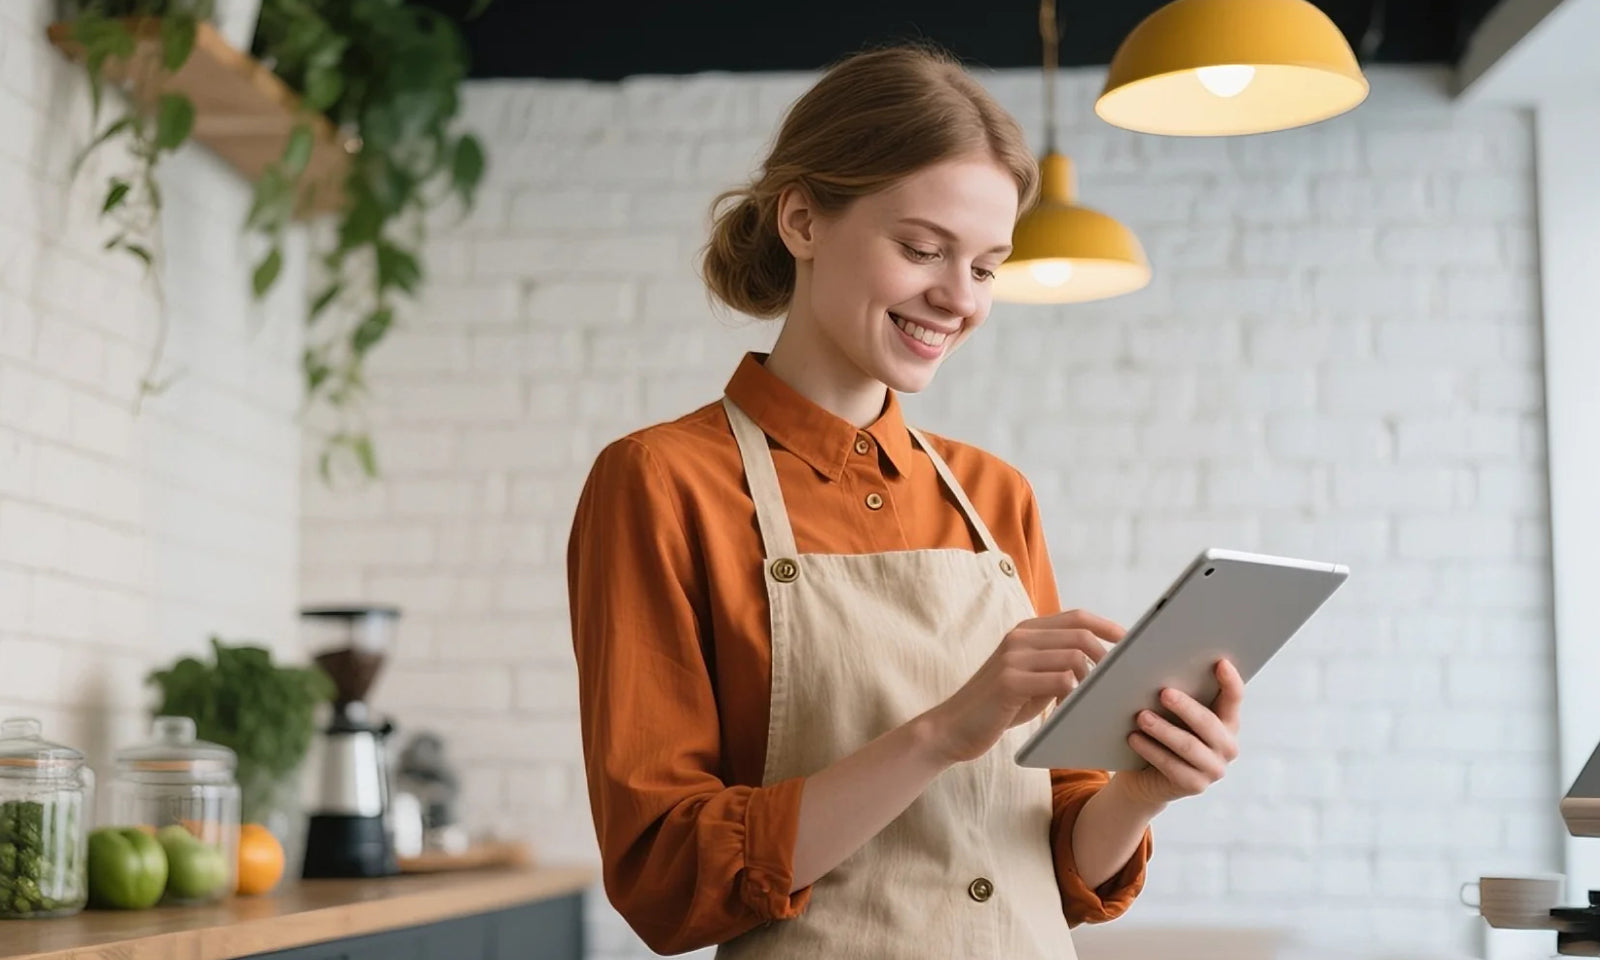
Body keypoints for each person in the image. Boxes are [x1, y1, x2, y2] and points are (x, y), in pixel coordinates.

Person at [566, 43, 1246, 959]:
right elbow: (666, 878)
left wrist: (1140, 792)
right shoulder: (662, 482)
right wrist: (944, 732)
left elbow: (1049, 854)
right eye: (923, 249)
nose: (957, 298)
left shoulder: (995, 496)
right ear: (802, 221)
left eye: (987, 266)